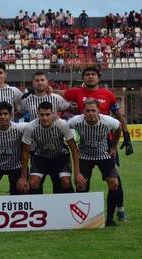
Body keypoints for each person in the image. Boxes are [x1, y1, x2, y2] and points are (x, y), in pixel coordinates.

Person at [50, 65, 133, 221]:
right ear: (83, 78)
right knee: (82, 183)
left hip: (106, 143)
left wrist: (126, 134)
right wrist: (48, 89)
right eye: (87, 74)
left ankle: (120, 210)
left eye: (93, 74)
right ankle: (79, 216)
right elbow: (62, 94)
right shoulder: (76, 92)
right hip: (85, 145)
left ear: (98, 77)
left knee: (115, 180)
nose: (90, 77)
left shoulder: (108, 94)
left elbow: (118, 116)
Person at [68, 98, 121, 226]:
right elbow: (64, 129)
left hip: (103, 155)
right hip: (85, 156)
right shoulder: (76, 121)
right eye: (88, 111)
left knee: (114, 183)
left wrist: (113, 147)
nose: (91, 113)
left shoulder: (108, 121)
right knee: (81, 185)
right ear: (83, 112)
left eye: (93, 110)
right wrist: (73, 146)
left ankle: (109, 219)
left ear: (99, 111)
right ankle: (80, 219)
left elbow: (119, 128)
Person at [18, 102, 79, 195]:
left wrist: (77, 174)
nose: (45, 118)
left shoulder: (62, 125)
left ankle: (68, 206)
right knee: (33, 182)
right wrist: (23, 177)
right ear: (38, 114)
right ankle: (37, 208)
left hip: (60, 156)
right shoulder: (31, 127)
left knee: (65, 182)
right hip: (41, 156)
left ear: (53, 114)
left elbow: (74, 149)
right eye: (42, 115)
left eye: (47, 114)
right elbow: (25, 153)